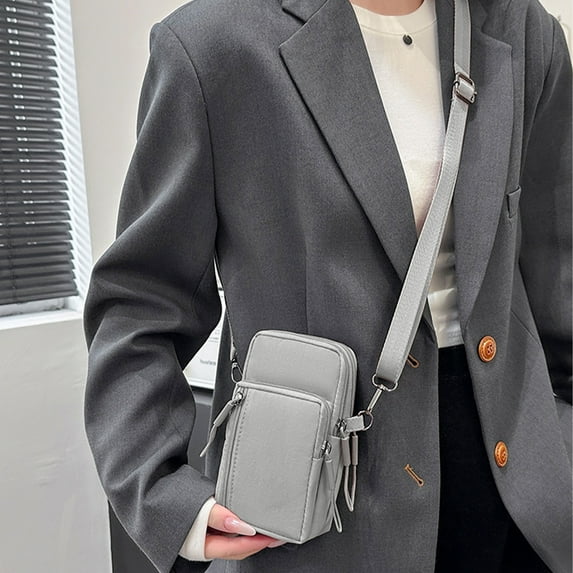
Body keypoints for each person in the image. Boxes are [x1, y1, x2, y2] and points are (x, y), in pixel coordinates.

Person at [83, 0, 572, 571]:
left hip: (522, 495)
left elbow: (557, 265)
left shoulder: (522, 30)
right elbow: (141, 302)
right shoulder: (214, 45)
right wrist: (164, 495)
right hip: (326, 507)